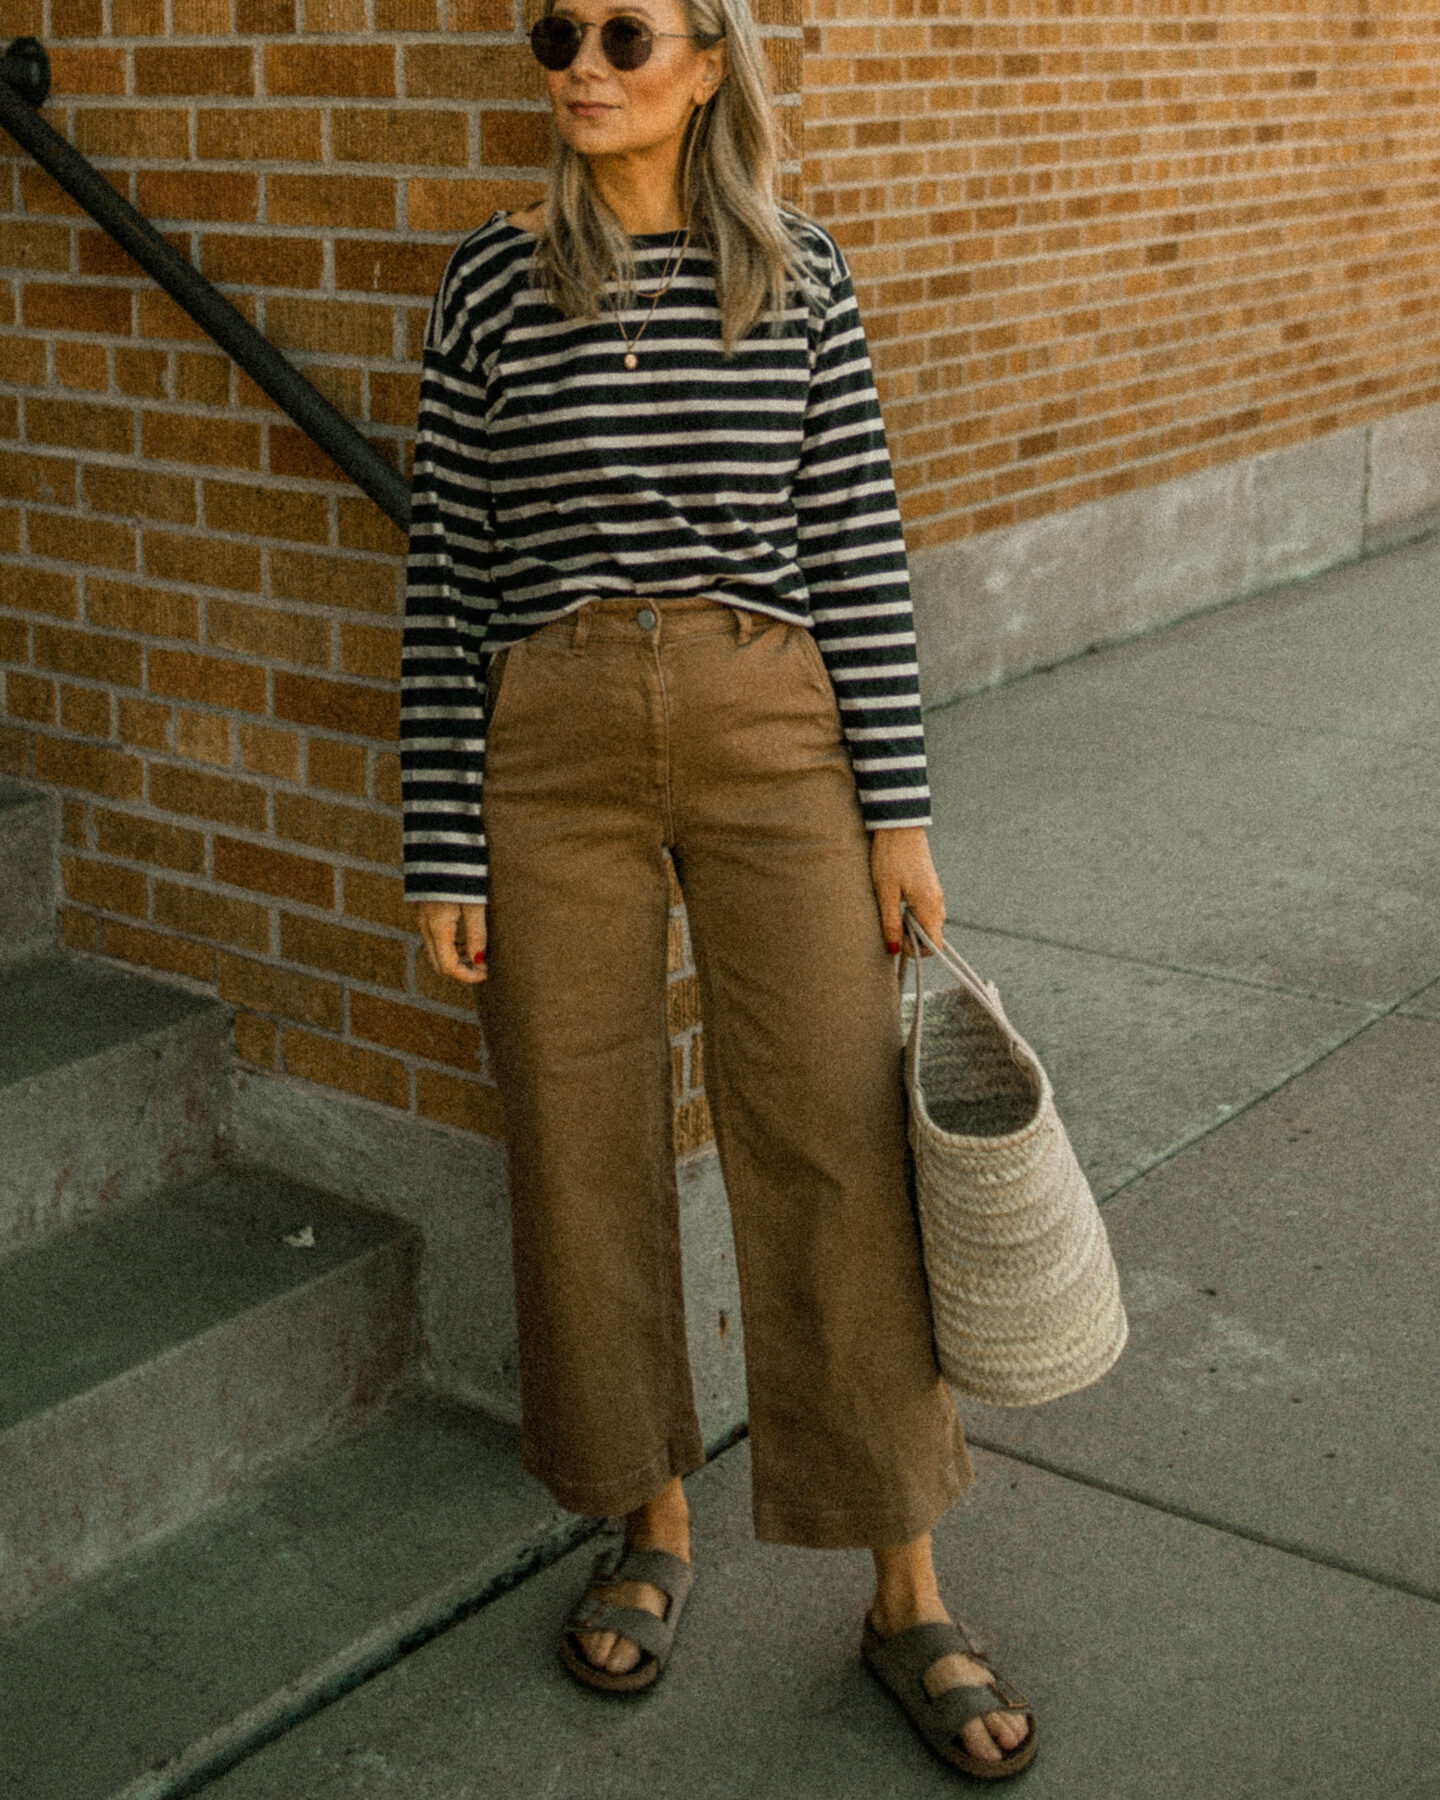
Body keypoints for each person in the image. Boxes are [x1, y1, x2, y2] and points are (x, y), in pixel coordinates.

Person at [400, 0, 1036, 1777]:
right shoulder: (488, 287)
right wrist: (441, 838)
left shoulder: (800, 279)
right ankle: (649, 1522)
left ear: (705, 66)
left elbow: (859, 553)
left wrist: (898, 820)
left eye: (626, 31)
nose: (582, 62)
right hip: (552, 746)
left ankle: (905, 1582)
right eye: (555, 31)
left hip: (775, 734)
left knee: (836, 1127)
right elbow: (447, 577)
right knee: (583, 1132)